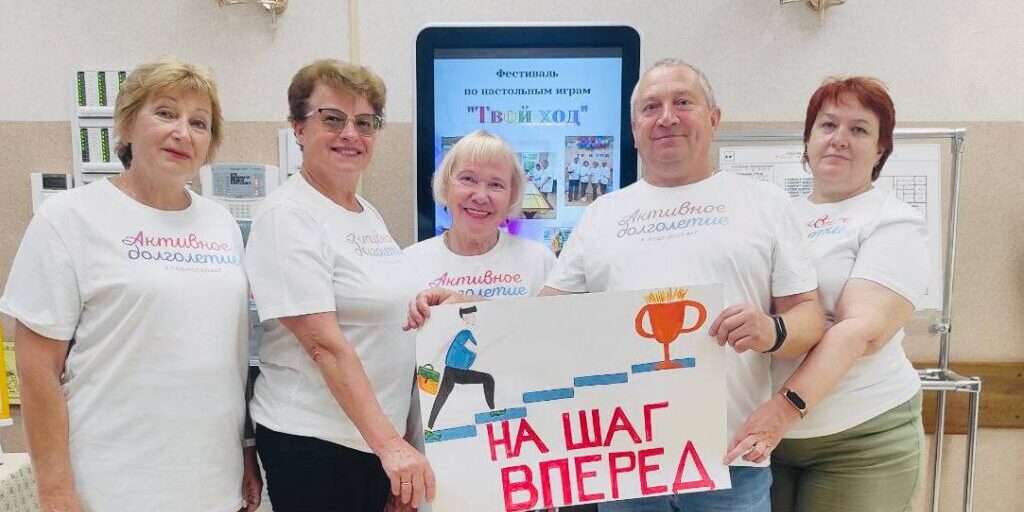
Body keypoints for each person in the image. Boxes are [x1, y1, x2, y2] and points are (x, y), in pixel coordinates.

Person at [540, 58, 825, 511]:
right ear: (634, 129)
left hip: (731, 464)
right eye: (651, 107)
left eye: (683, 102)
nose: (667, 117)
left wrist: (772, 330)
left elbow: (810, 316)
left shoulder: (765, 203)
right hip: (625, 465)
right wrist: (463, 310)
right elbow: (542, 318)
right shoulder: (601, 215)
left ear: (714, 119)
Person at [0, 59, 261, 512]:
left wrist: (245, 450)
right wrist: (56, 492)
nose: (182, 132)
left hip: (212, 485)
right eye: (165, 113)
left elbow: (230, 359)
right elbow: (37, 368)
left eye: (199, 123)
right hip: (110, 487)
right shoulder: (69, 217)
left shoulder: (221, 225)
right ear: (126, 126)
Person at [727, 77, 928, 512]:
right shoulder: (775, 216)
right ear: (808, 140)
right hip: (768, 443)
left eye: (859, 129)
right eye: (828, 125)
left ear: (880, 149)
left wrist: (784, 410)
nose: (839, 139)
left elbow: (859, 331)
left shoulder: (894, 221)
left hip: (860, 441)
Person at [244, 59, 433, 512]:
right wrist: (391, 445)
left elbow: (384, 320)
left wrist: (398, 440)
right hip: (316, 443)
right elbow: (323, 345)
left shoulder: (365, 212)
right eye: (332, 119)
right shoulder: (287, 215)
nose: (351, 134)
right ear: (298, 127)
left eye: (365, 123)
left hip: (372, 440)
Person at [404, 130, 555, 300]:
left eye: (496, 184)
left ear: (511, 196)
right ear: (446, 185)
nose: (481, 196)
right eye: (468, 179)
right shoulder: (409, 264)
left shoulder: (539, 262)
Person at [425, 305, 497, 429]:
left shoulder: (468, 333)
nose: (474, 317)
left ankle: (429, 428)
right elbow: (476, 348)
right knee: (487, 379)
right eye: (471, 315)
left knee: (441, 397)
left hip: (457, 371)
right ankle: (492, 411)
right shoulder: (464, 333)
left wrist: (433, 361)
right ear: (464, 317)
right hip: (454, 372)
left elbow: (446, 347)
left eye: (474, 314)